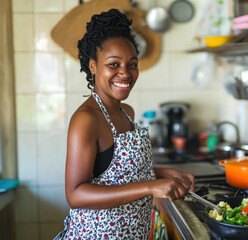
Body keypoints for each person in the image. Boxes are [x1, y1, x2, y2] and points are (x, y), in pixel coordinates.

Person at [54, 9, 195, 240]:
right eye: (113, 64)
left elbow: (119, 172)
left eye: (132, 64)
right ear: (93, 66)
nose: (125, 73)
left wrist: (165, 174)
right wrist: (151, 186)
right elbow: (76, 193)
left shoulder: (125, 111)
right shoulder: (87, 119)